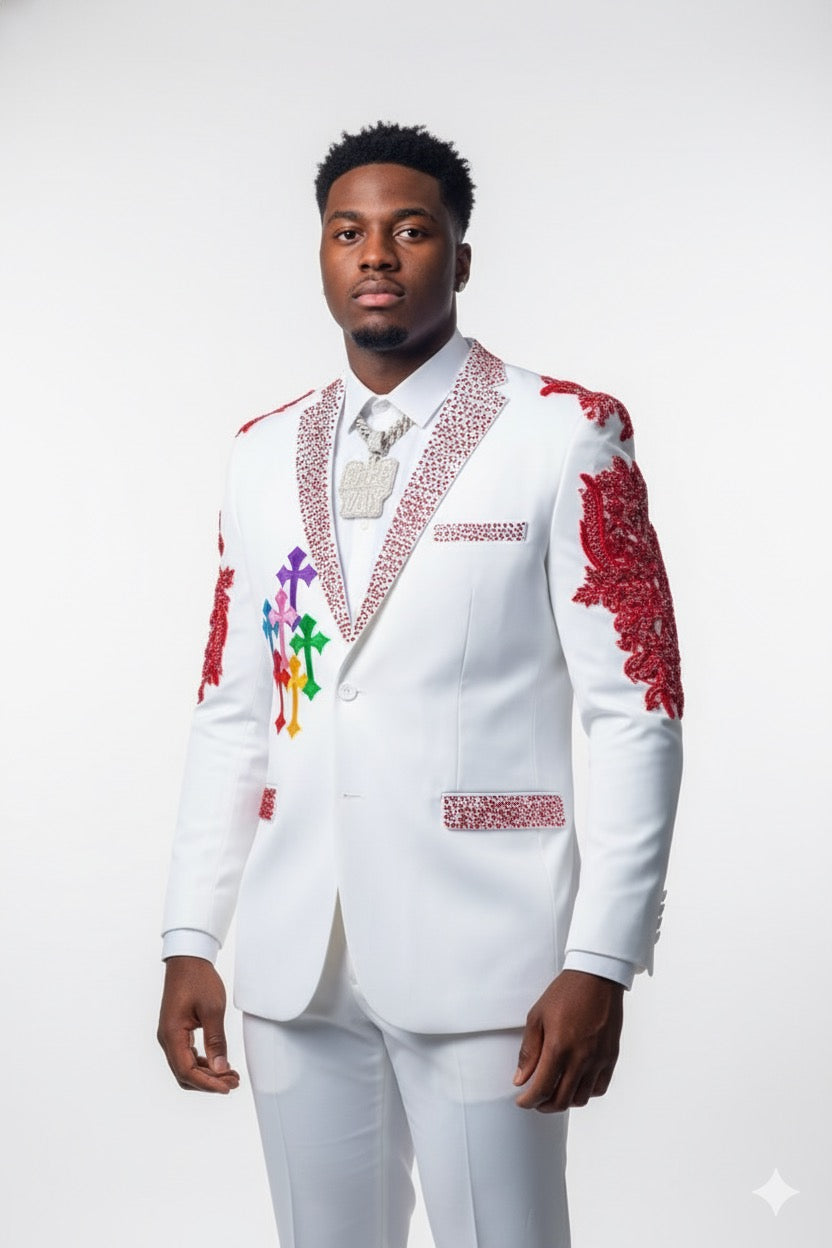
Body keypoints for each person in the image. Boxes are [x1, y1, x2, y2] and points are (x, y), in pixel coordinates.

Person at [157, 120, 683, 1248]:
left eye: (410, 231)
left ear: (460, 255)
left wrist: (600, 956)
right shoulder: (260, 450)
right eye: (348, 233)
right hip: (297, 960)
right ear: (322, 255)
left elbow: (635, 706)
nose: (377, 255)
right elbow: (234, 707)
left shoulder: (562, 433)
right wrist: (190, 933)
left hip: (490, 951)